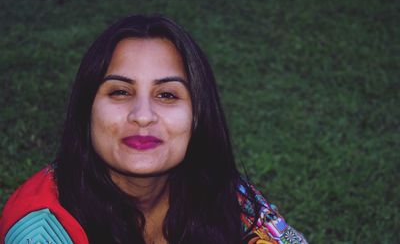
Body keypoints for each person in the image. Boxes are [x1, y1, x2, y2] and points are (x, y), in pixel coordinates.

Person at [0, 15, 307, 244]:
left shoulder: (222, 191)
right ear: (86, 110)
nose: (143, 116)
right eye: (120, 91)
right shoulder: (42, 233)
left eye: (167, 95)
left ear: (198, 116)